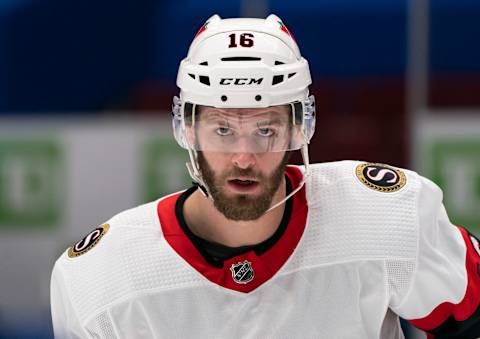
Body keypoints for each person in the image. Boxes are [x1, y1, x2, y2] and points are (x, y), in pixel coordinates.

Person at [50, 14, 480, 338]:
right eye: (222, 129)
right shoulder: (101, 278)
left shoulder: (386, 216)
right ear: (187, 130)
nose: (243, 156)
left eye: (265, 129)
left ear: (299, 128)